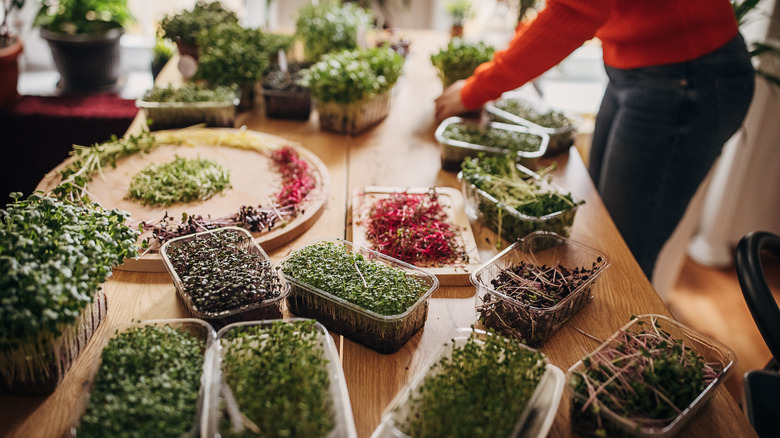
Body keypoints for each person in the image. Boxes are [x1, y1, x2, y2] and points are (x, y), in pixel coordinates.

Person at [435, 0, 755, 280]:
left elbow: (576, 10)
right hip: (633, 71)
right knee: (604, 235)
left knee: (622, 258)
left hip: (687, 75)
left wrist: (475, 89)